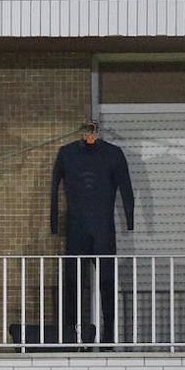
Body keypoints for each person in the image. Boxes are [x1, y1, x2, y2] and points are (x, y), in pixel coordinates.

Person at [49, 121, 135, 345]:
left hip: (102, 229)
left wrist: (130, 220)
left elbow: (127, 189)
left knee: (107, 282)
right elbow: (54, 188)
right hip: (76, 227)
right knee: (72, 282)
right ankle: (71, 336)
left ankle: (109, 337)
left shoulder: (113, 154)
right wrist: (54, 223)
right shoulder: (66, 153)